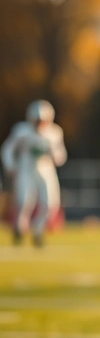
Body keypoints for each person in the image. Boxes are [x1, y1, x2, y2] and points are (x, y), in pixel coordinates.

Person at [0, 100, 66, 247]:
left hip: (46, 171)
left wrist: (54, 152)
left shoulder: (55, 133)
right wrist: (11, 166)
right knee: (24, 202)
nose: (40, 123)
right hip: (26, 170)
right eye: (38, 120)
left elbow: (61, 157)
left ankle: (38, 231)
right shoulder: (22, 131)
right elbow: (7, 149)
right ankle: (19, 229)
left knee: (50, 204)